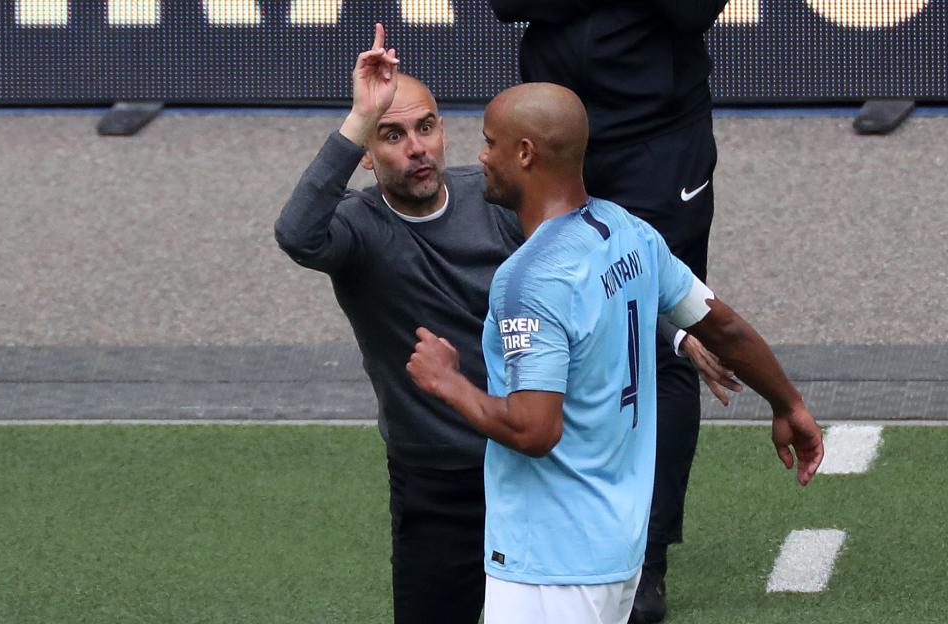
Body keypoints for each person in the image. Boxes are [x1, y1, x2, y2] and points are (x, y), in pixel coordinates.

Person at [276, 23, 737, 624]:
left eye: (427, 127)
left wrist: (675, 332)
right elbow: (296, 233)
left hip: (525, 473)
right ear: (367, 153)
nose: (417, 148)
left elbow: (583, 283)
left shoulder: (491, 201)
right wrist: (359, 116)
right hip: (435, 482)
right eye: (391, 136)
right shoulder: (357, 231)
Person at [406, 83, 823, 624]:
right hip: (617, 551)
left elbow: (535, 430)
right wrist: (787, 403)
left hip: (550, 563)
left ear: (526, 153)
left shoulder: (529, 281)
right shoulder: (626, 232)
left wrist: (447, 382)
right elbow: (722, 326)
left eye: (490, 143)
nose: (481, 157)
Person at [487, 2, 732, 619]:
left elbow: (690, 9)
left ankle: (647, 555)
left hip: (660, 139)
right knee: (553, 328)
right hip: (551, 138)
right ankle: (551, 530)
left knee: (666, 339)